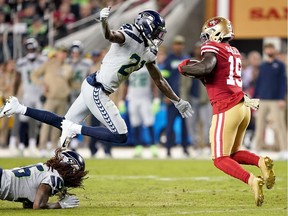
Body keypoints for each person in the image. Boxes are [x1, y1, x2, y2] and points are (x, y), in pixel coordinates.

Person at [0, 8, 193, 151]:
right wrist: (103, 22)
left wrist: (177, 100)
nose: (159, 35)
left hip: (93, 85)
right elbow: (111, 35)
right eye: (157, 30)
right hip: (97, 90)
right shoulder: (130, 35)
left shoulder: (150, 51)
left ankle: (19, 108)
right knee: (121, 135)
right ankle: (75, 129)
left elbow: (159, 80)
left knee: (63, 123)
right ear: (147, 26)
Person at [178, 16, 275, 206]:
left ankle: (252, 180)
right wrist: (193, 69)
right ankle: (261, 161)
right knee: (232, 153)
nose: (205, 40)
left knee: (220, 158)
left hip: (227, 106)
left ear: (216, 32)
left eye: (207, 35)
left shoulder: (212, 48)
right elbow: (214, 74)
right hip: (242, 106)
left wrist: (184, 68)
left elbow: (206, 66)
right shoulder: (233, 51)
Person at [0, 148, 88, 209]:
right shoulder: (55, 179)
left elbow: (28, 205)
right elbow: (38, 206)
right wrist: (60, 205)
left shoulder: (47, 167)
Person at [31, 46, 73, 157]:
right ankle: (42, 147)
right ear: (57, 53)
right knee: (46, 123)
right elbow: (34, 75)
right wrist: (42, 84)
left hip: (63, 99)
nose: (63, 55)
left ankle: (54, 147)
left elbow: (70, 83)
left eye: (65, 53)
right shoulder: (49, 64)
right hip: (50, 98)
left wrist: (69, 92)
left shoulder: (68, 67)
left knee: (58, 125)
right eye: (61, 52)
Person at [253, 43, 287, 159]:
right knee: (260, 125)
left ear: (274, 50)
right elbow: (258, 83)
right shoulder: (262, 66)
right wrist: (254, 98)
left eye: (271, 48)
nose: (269, 50)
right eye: (267, 49)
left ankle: (284, 149)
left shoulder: (280, 65)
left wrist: (281, 98)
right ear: (265, 50)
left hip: (275, 100)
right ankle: (256, 149)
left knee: (280, 125)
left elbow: (283, 83)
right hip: (263, 99)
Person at [14, 38, 47, 155]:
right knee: (24, 120)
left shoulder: (43, 60)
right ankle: (22, 144)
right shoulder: (21, 62)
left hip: (39, 94)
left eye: (32, 48)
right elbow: (17, 79)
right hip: (27, 94)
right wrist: (15, 93)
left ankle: (37, 144)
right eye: (29, 48)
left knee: (42, 121)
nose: (31, 50)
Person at [163, 35, 191, 157]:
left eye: (181, 44)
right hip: (172, 99)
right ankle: (168, 149)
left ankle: (185, 148)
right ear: (173, 45)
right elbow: (163, 79)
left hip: (183, 98)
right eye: (177, 44)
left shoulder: (187, 59)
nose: (179, 46)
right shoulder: (168, 60)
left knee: (185, 125)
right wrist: (165, 95)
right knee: (170, 125)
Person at [124, 67, 159, 158]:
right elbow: (126, 84)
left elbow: (155, 82)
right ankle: (138, 147)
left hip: (145, 98)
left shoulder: (148, 66)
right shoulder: (130, 66)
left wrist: (156, 98)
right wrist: (122, 99)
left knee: (149, 122)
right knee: (135, 124)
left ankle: (153, 146)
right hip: (132, 98)